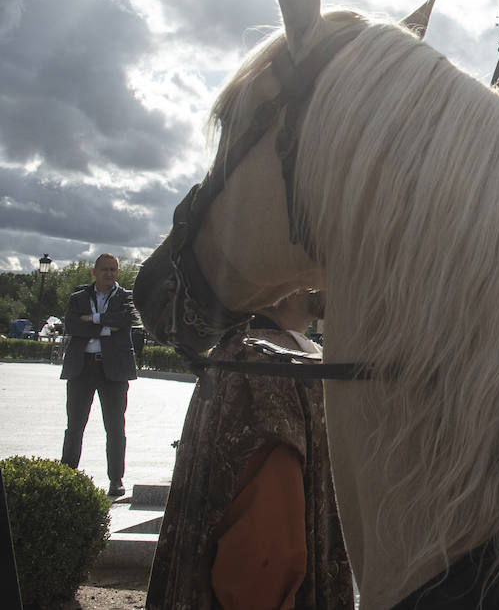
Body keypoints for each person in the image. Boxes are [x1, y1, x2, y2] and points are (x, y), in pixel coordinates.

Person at [146, 289, 352, 610]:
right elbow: (265, 551)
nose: (327, 277)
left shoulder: (248, 355)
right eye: (311, 264)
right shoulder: (271, 368)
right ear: (279, 287)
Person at [60, 253, 138, 498]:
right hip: (82, 368)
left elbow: (124, 321)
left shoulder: (127, 298)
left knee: (115, 427)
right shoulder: (78, 297)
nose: (109, 273)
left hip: (113, 371)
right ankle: (66, 474)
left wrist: (91, 320)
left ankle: (116, 479)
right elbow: (72, 325)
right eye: (104, 269)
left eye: (113, 269)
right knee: (75, 425)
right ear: (94, 271)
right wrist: (106, 326)